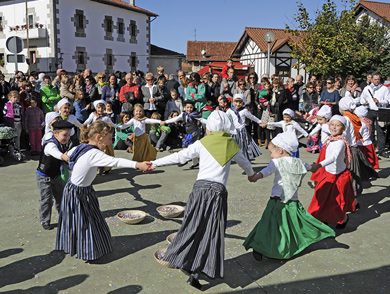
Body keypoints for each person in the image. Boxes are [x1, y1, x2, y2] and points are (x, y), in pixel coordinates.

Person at [151, 110, 255, 290]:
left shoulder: (202, 143)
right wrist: (252, 175)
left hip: (199, 190)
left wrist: (154, 163)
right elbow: (246, 163)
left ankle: (179, 257)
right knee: (211, 231)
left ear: (210, 129)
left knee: (192, 225)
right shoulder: (231, 145)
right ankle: (198, 270)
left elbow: (179, 156)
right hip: (217, 193)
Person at [55, 120, 150, 260]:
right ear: (99, 137)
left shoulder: (81, 147)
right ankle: (88, 251)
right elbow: (116, 161)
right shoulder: (94, 154)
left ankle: (81, 247)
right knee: (86, 222)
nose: (111, 142)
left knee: (83, 220)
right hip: (79, 193)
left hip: (73, 189)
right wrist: (138, 164)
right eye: (110, 138)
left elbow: (68, 154)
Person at [243, 132, 335, 260]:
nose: (271, 155)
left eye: (272, 152)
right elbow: (312, 168)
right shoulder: (299, 162)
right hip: (293, 201)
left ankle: (261, 246)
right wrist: (317, 165)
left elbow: (266, 172)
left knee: (267, 224)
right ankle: (314, 235)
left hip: (276, 200)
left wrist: (256, 176)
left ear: (280, 150)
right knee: (291, 226)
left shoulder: (276, 162)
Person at [308, 115, 356, 228]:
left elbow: (334, 157)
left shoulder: (340, 142)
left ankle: (343, 219)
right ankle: (322, 218)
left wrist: (319, 165)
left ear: (343, 128)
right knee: (322, 196)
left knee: (338, 201)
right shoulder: (329, 140)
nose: (334, 127)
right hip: (328, 173)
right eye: (332, 124)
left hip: (339, 176)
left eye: (338, 125)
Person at [37, 120, 73, 230]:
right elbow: (54, 153)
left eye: (68, 135)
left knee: (61, 196)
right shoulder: (50, 144)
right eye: (64, 135)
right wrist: (63, 156)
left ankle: (64, 217)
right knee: (46, 199)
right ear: (55, 133)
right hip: (44, 176)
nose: (67, 138)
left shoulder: (64, 144)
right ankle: (45, 221)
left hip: (56, 175)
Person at [338, 97, 378, 194]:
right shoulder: (353, 117)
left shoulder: (346, 119)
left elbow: (343, 134)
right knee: (354, 174)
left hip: (349, 149)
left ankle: (352, 198)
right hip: (354, 147)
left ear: (342, 108)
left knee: (350, 175)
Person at [359, 72, 390, 158]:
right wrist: (364, 102)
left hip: (380, 111)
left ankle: (381, 150)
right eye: (375, 79)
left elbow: (388, 101)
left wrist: (379, 101)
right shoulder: (367, 88)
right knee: (369, 130)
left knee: (381, 131)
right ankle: (371, 149)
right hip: (371, 111)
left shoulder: (384, 89)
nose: (377, 81)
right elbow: (361, 99)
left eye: (378, 79)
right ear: (371, 79)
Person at [226, 93, 262, 160]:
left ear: (243, 103)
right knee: (233, 144)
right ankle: (234, 157)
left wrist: (259, 121)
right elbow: (225, 117)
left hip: (242, 130)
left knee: (245, 144)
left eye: (240, 102)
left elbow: (252, 117)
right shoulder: (230, 110)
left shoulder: (244, 110)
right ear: (233, 102)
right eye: (236, 102)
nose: (238, 104)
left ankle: (245, 157)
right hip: (234, 131)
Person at [308, 105, 332, 187]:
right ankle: (317, 180)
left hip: (326, 146)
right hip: (324, 145)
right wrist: (310, 134)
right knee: (322, 163)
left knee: (321, 164)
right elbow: (316, 128)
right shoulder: (323, 124)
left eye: (320, 119)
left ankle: (316, 181)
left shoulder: (325, 126)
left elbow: (331, 132)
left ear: (326, 119)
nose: (318, 121)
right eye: (318, 119)